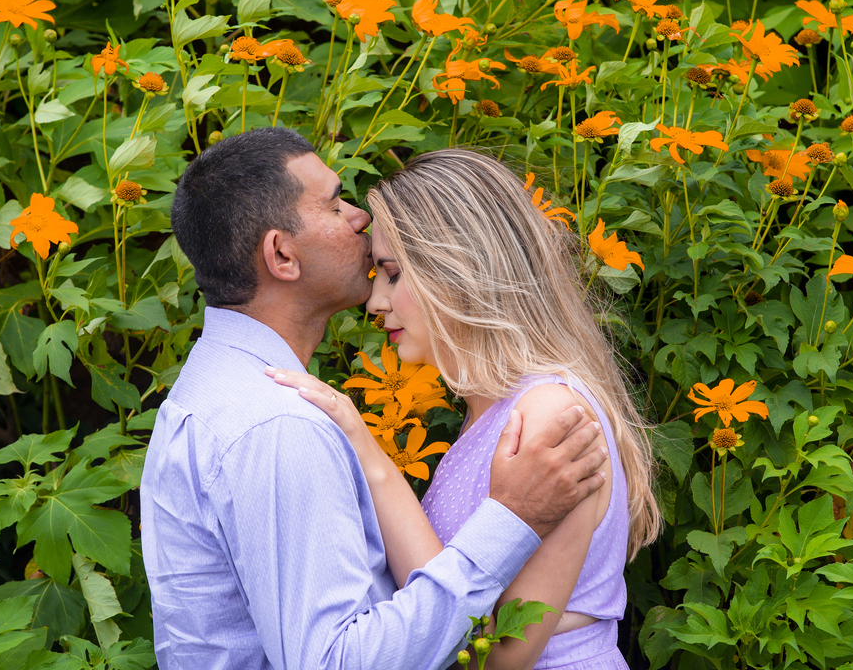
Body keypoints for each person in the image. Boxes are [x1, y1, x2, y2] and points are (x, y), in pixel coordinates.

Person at [140, 128, 611, 670]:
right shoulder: (275, 424)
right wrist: (511, 520)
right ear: (282, 254)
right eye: (334, 203)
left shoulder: (219, 390)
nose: (358, 215)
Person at [268, 149, 661, 670]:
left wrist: (368, 453)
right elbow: (449, 598)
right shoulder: (495, 410)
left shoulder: (548, 415)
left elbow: (495, 654)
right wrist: (363, 445)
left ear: (459, 268)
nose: (374, 302)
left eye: (392, 273)